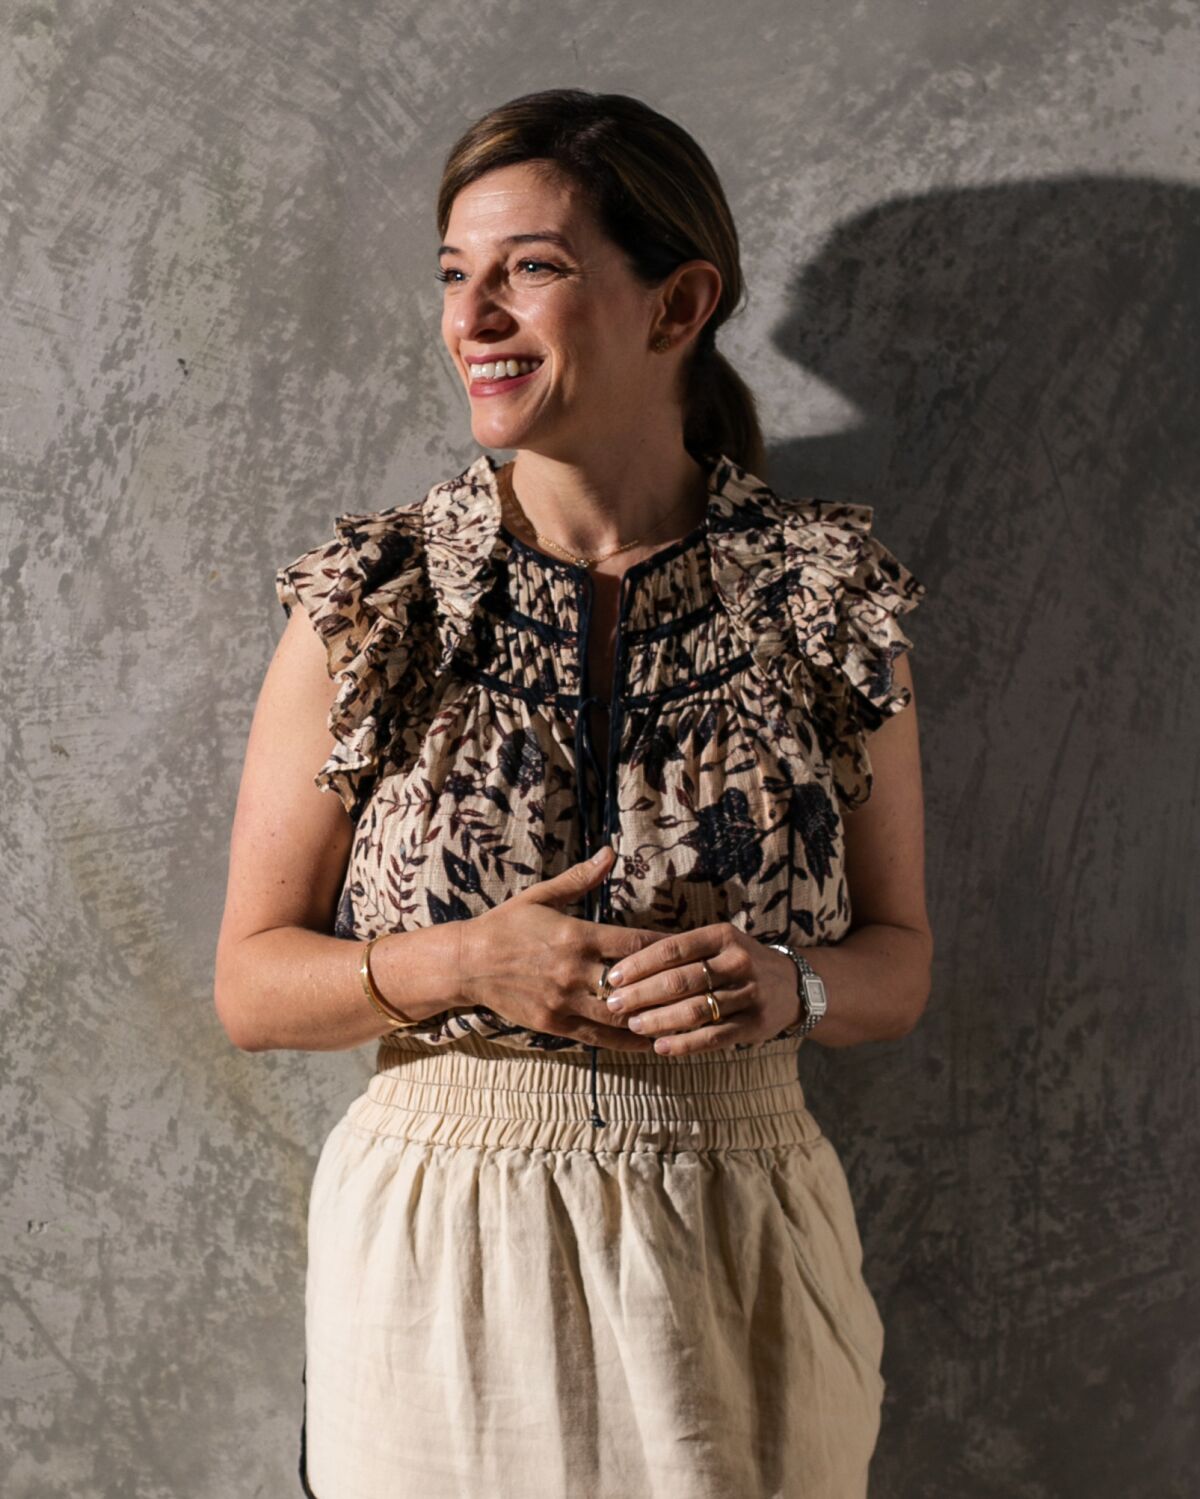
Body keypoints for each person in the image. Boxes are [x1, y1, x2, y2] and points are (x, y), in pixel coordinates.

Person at [214, 87, 932, 1499]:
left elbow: (901, 967)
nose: (471, 315)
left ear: (678, 306)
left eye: (529, 268)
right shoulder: (377, 602)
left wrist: (791, 988)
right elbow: (250, 984)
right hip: (441, 1249)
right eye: (452, 274)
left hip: (743, 1229)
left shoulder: (825, 600)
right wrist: (466, 961)